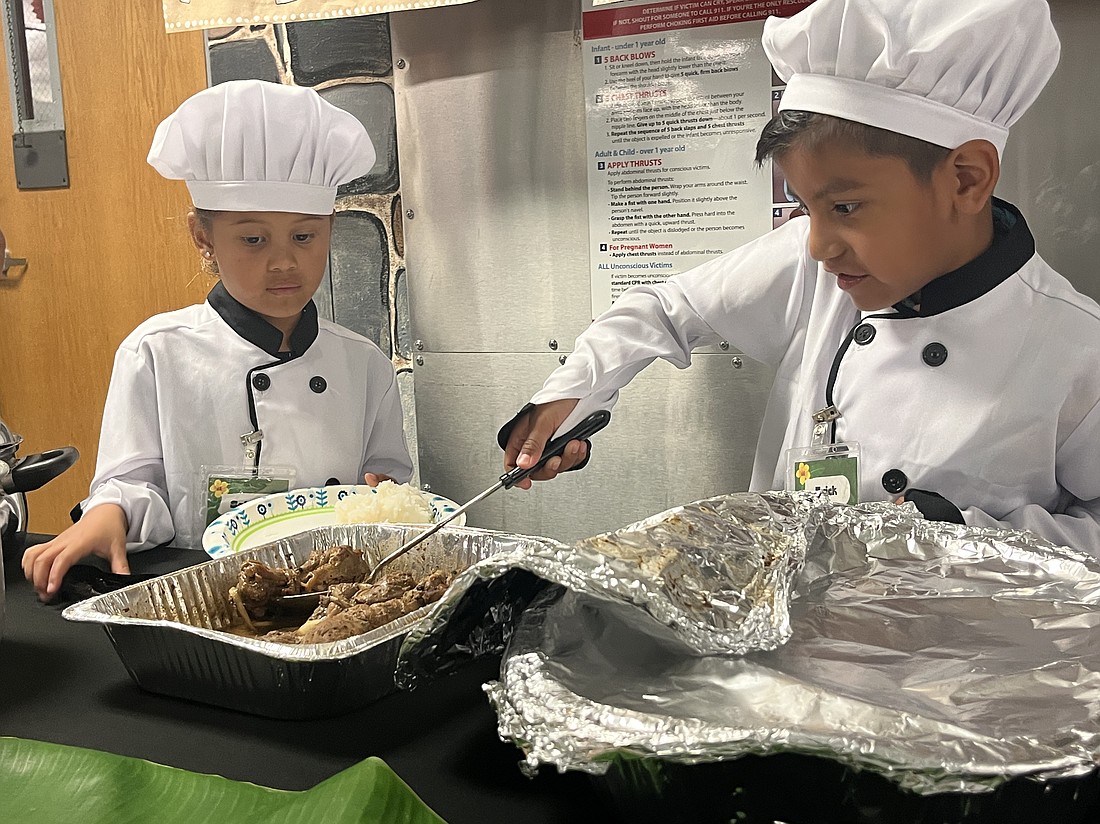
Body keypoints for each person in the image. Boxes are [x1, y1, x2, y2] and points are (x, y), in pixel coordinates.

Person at [500, 0, 1100, 555]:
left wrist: (956, 536)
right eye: (804, 209)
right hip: (787, 636)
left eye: (845, 208)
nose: (817, 246)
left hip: (964, 662)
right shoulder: (813, 269)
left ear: (966, 179)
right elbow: (667, 307)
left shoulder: (1074, 347)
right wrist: (574, 391)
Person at [23, 80, 413, 600]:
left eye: (304, 236)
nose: (283, 261)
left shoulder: (363, 366)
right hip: (202, 596)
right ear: (202, 237)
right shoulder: (157, 352)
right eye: (253, 239)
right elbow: (135, 484)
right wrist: (107, 513)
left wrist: (383, 499)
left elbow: (387, 481)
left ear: (329, 228)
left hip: (329, 603)